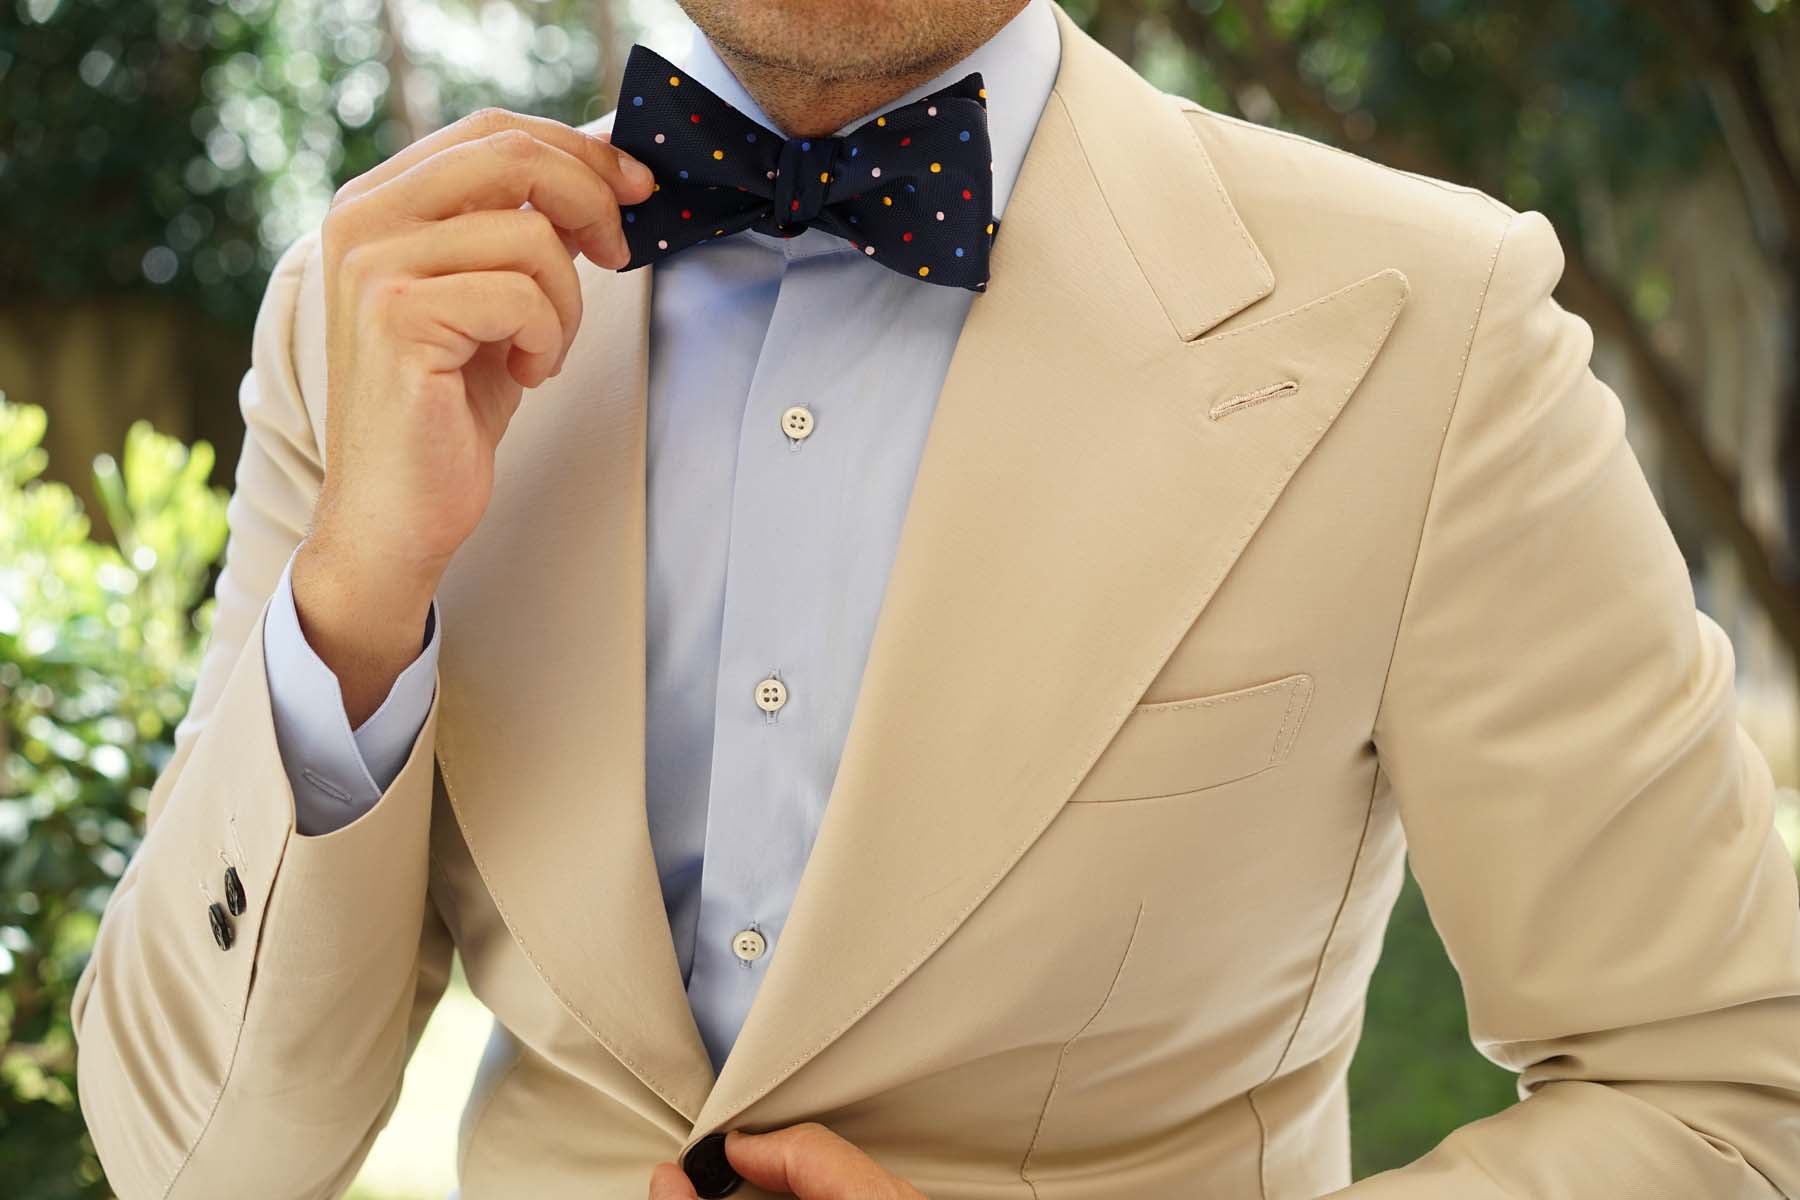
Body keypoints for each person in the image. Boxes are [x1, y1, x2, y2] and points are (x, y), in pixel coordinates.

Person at [70, 0, 1800, 1195]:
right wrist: (358, 604)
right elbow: (197, 1159)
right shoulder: (367, 310)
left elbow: (1731, 1103)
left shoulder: (1429, 321)